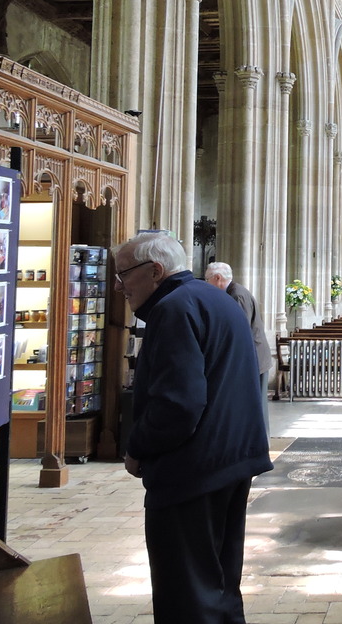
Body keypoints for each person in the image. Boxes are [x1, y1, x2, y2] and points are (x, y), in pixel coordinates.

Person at [117, 233, 273, 623]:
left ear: (155, 271)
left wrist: (137, 447)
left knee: (185, 593)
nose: (120, 286)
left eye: (124, 275)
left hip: (192, 471)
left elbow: (178, 404)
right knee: (218, 584)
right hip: (231, 461)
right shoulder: (215, 299)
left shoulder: (173, 309)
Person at [205, 261, 273, 435]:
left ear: (217, 278)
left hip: (254, 358)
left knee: (255, 404)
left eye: (207, 279)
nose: (206, 284)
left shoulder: (237, 295)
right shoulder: (233, 292)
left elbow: (240, 331)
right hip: (252, 356)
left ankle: (259, 442)